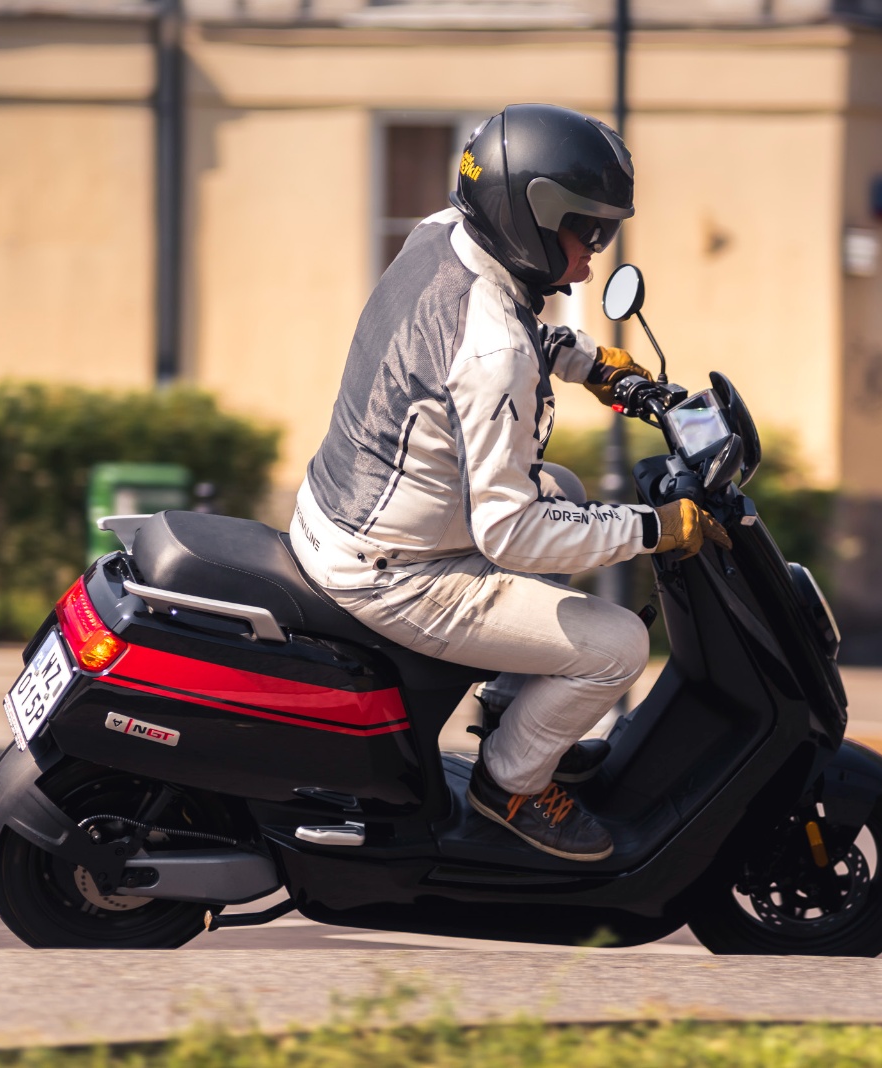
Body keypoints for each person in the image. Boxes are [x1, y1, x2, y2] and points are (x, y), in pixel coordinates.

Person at [290, 103, 730, 862]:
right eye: (587, 233)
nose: (594, 258)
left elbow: (485, 322)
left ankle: (515, 709)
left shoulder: (441, 235)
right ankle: (512, 782)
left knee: (560, 486)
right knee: (619, 646)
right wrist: (656, 528)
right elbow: (511, 533)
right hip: (395, 575)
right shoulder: (497, 355)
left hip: (348, 519)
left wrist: (586, 362)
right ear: (530, 220)